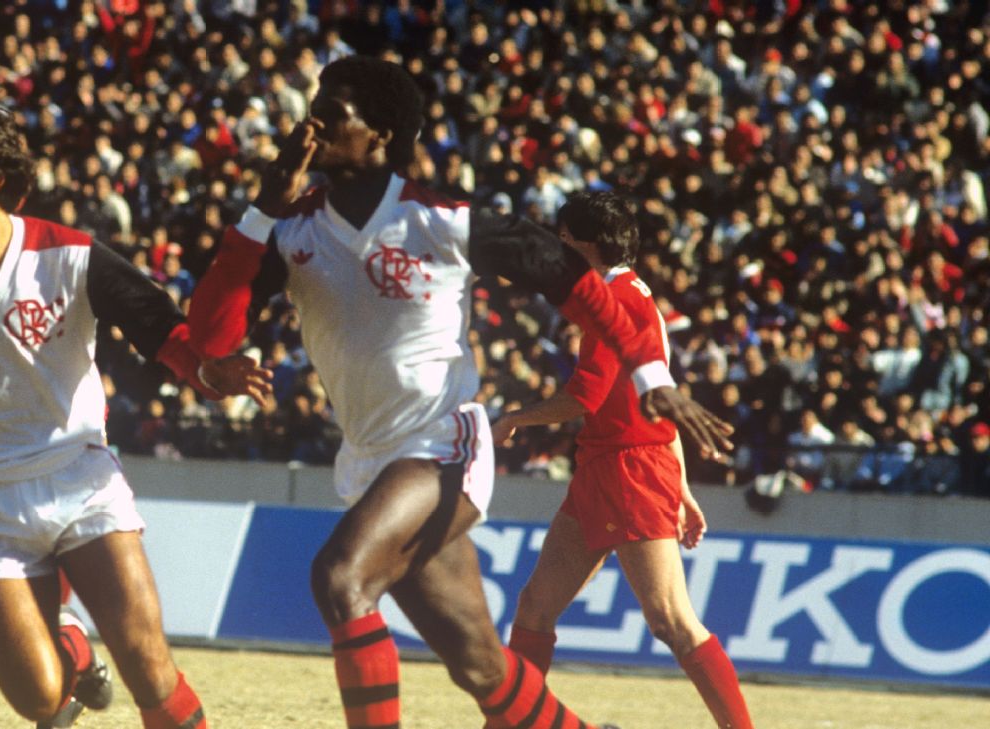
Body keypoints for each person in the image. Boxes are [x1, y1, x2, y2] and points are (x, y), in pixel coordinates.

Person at [190, 56, 731, 729]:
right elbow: (211, 333)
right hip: (368, 460)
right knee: (480, 665)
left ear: (382, 132)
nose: (316, 117)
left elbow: (583, 287)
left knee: (341, 578)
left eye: (336, 106)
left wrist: (652, 376)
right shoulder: (290, 228)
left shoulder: (444, 220)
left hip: (445, 444)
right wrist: (262, 207)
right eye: (316, 102)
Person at [0, 89, 254, 728]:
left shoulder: (69, 253)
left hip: (79, 479)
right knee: (40, 700)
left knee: (148, 666)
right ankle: (69, 662)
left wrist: (204, 369)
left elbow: (156, 325)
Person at [492, 192, 753, 729]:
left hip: (631, 468)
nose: (558, 250)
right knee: (536, 605)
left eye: (563, 240)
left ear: (581, 244)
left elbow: (584, 396)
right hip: (611, 464)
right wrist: (682, 488)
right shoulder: (634, 294)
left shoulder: (617, 301)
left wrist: (515, 417)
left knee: (672, 621)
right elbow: (661, 393)